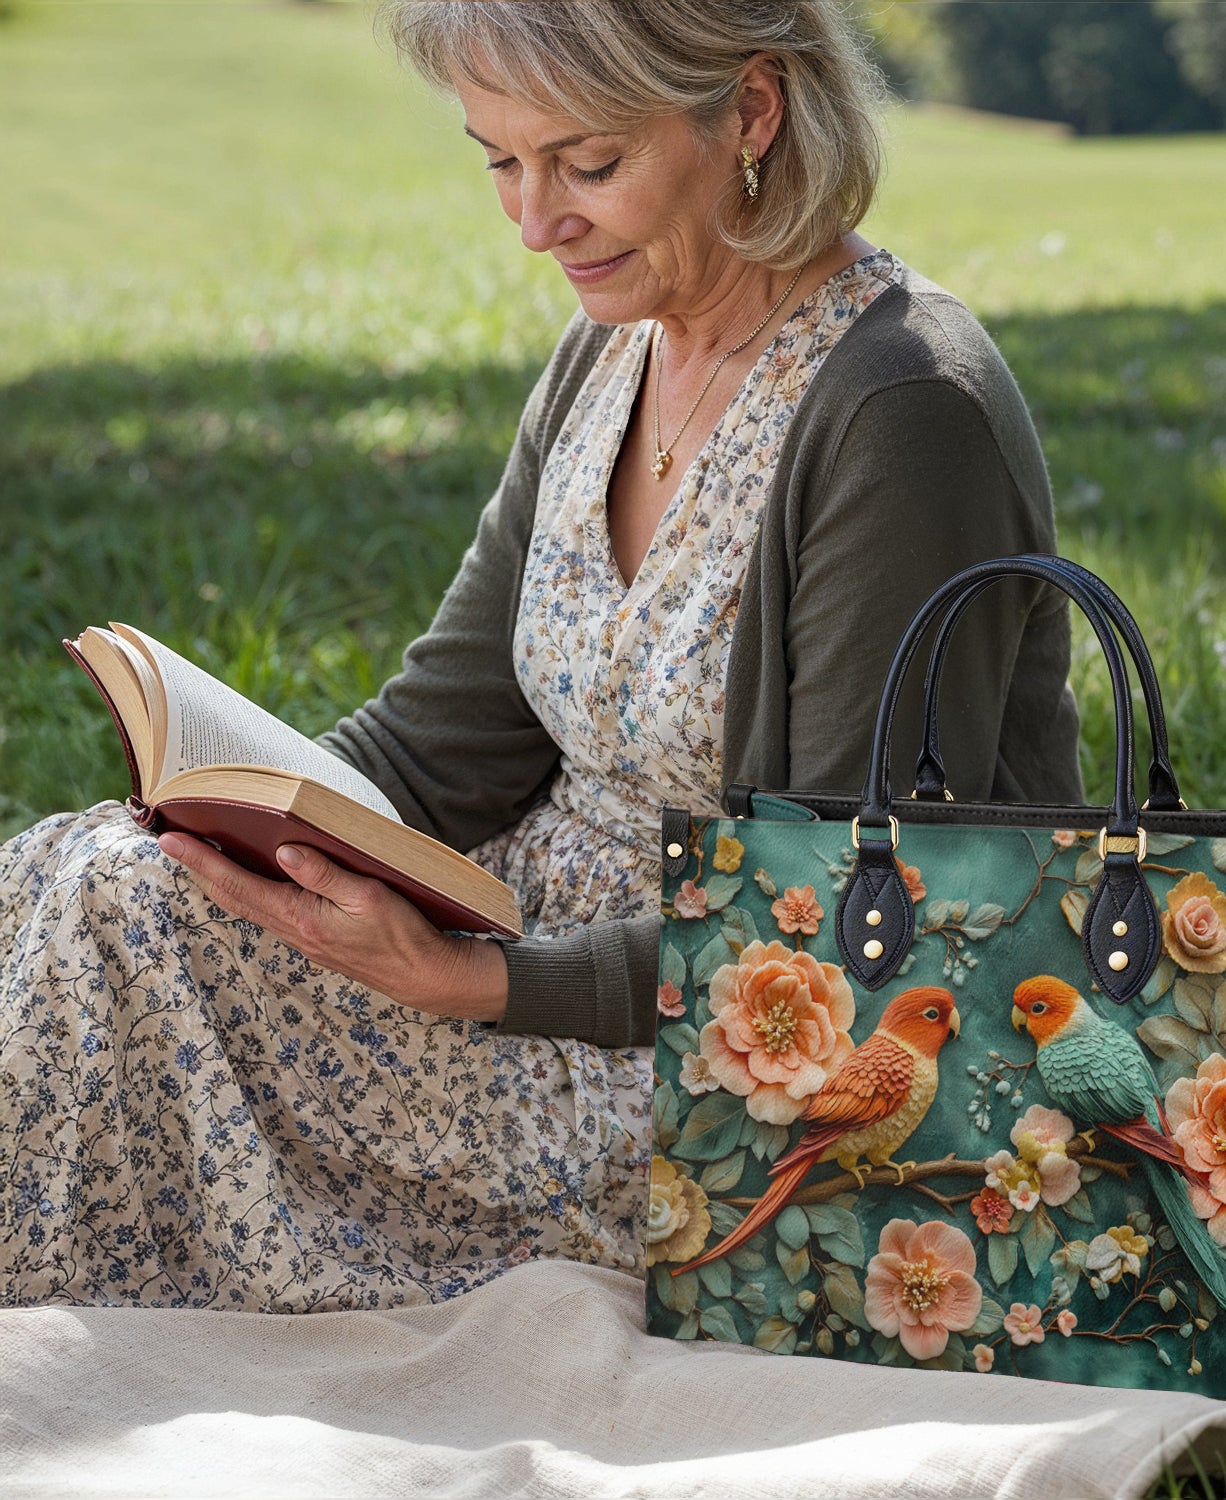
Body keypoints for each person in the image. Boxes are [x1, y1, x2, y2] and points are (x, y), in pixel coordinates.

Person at [0, 0, 1082, 1312]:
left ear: (751, 110)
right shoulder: (614, 347)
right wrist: (231, 815)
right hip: (515, 950)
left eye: (588, 163)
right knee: (105, 877)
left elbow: (843, 924)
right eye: (502, 162)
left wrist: (483, 982)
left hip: (713, 1062)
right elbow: (442, 739)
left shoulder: (902, 412)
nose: (533, 221)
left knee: (123, 940)